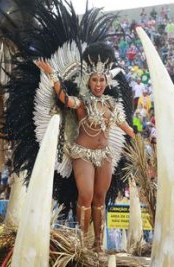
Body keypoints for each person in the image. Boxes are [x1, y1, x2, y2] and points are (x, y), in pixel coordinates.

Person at [34, 42, 135, 250]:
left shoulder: (111, 105)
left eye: (101, 80)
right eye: (94, 80)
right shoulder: (82, 102)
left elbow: (124, 125)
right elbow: (64, 99)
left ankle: (97, 244)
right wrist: (52, 75)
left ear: (106, 82)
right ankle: (81, 242)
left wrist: (141, 138)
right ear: (89, 81)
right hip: (82, 154)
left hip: (105, 154)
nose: (98, 84)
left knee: (100, 198)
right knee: (86, 195)